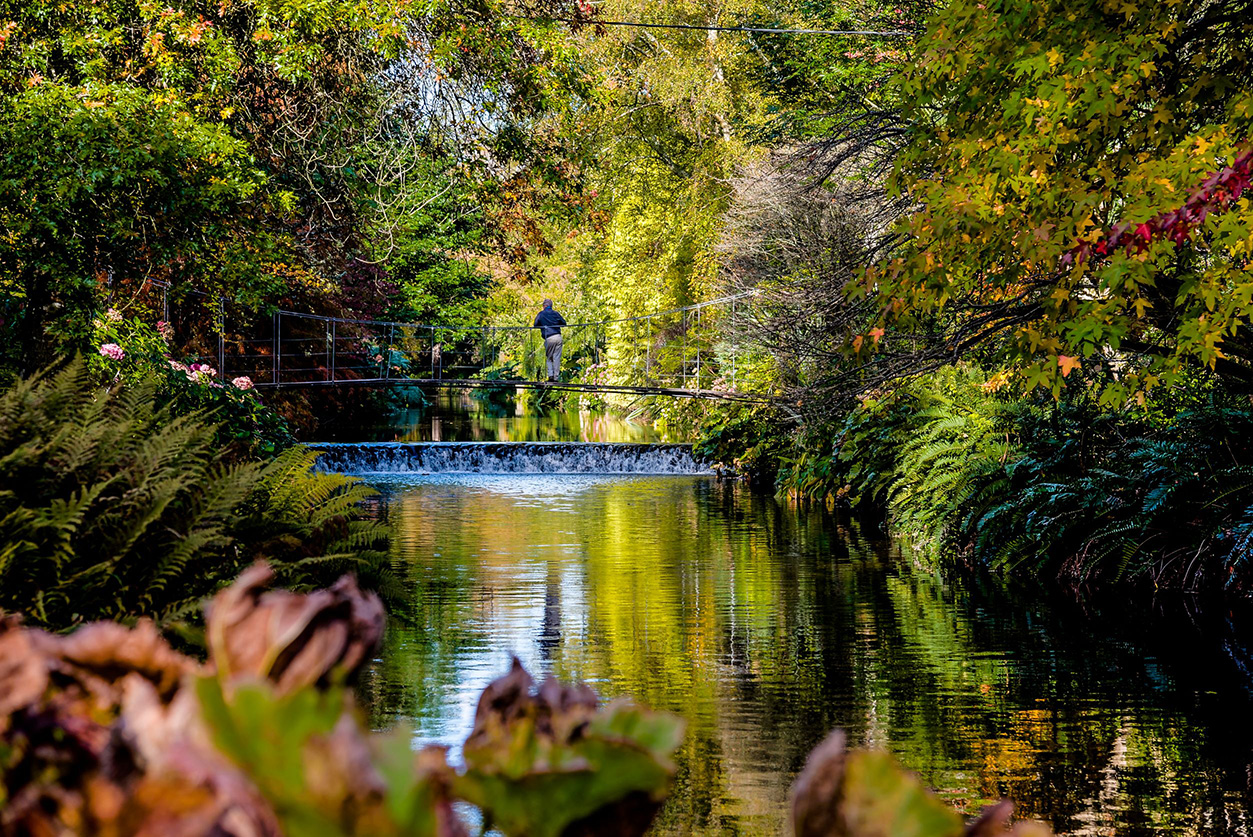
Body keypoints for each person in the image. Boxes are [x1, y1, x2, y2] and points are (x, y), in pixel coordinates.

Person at [533, 298, 566, 382]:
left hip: (549, 338)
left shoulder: (541, 314)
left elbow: (535, 325)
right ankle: (556, 378)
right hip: (558, 337)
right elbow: (564, 323)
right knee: (556, 358)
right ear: (551, 306)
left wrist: (543, 324)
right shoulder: (556, 313)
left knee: (549, 358)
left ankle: (550, 376)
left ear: (544, 306)